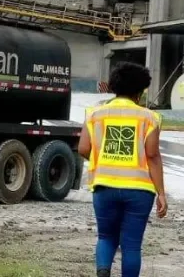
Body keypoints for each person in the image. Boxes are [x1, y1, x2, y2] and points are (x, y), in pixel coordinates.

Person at [78, 62, 168, 277]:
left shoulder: (94, 114)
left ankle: (102, 272)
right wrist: (162, 193)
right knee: (131, 244)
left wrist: (105, 162)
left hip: (104, 187)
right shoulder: (149, 118)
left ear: (114, 86)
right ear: (140, 92)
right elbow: (153, 156)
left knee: (106, 236)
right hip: (139, 190)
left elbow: (83, 148)